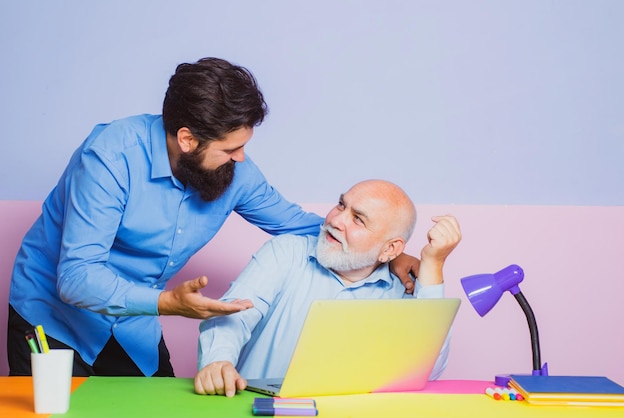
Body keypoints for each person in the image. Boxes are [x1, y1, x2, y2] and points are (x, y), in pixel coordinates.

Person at [7, 58, 420, 377]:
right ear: (187, 139)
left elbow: (300, 224)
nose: (241, 158)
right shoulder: (110, 157)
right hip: (52, 322)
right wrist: (167, 303)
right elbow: (77, 276)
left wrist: (386, 253)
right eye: (229, 149)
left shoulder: (236, 169)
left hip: (134, 323)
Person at [194, 179, 462, 397]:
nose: (336, 220)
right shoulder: (286, 252)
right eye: (341, 205)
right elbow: (233, 314)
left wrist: (433, 266)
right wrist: (218, 361)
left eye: (358, 219)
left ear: (390, 249)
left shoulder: (402, 292)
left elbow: (428, 369)